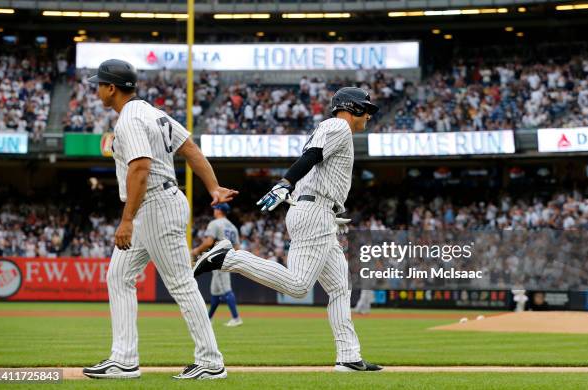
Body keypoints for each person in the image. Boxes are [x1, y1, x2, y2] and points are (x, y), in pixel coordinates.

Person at [194, 87, 383, 372]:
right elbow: (312, 156)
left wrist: (332, 211)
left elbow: (316, 162)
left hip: (319, 212)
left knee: (339, 287)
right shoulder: (338, 126)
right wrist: (286, 182)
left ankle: (349, 356)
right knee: (297, 285)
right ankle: (228, 257)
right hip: (314, 212)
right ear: (351, 107)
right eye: (365, 108)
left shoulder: (334, 129)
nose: (369, 115)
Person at [82, 59, 238, 380]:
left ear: (112, 88)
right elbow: (190, 148)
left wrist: (126, 220)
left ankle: (211, 362)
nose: (96, 89)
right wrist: (213, 187)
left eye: (99, 84)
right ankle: (124, 359)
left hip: (153, 204)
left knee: (181, 284)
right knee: (119, 276)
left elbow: (140, 167)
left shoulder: (129, 119)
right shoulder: (155, 113)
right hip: (157, 203)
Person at [192, 203, 242, 327]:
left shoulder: (215, 223)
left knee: (226, 289)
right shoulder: (232, 227)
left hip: (219, 260)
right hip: (228, 258)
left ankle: (236, 318)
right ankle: (209, 319)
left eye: (215, 209)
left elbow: (209, 241)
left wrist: (197, 250)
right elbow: (237, 247)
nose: (214, 211)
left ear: (219, 210)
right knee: (215, 292)